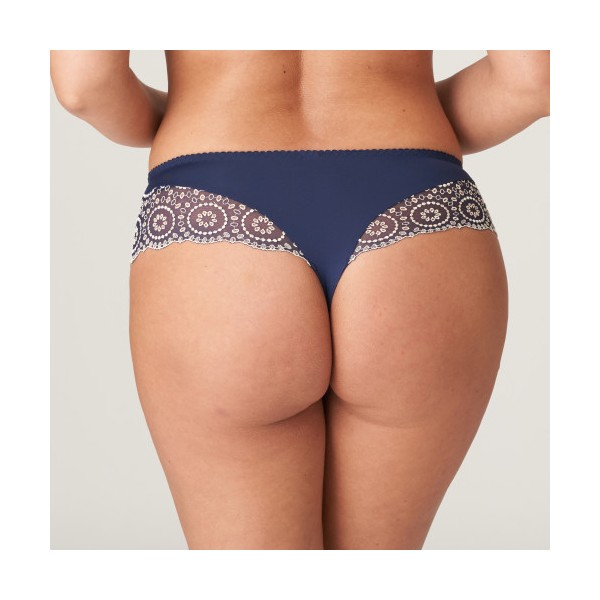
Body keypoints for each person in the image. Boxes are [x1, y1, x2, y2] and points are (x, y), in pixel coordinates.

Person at [50, 50, 550, 550]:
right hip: (419, 205)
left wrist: (176, 113)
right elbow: (532, 80)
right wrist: (407, 117)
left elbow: (84, 84)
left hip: (213, 200)